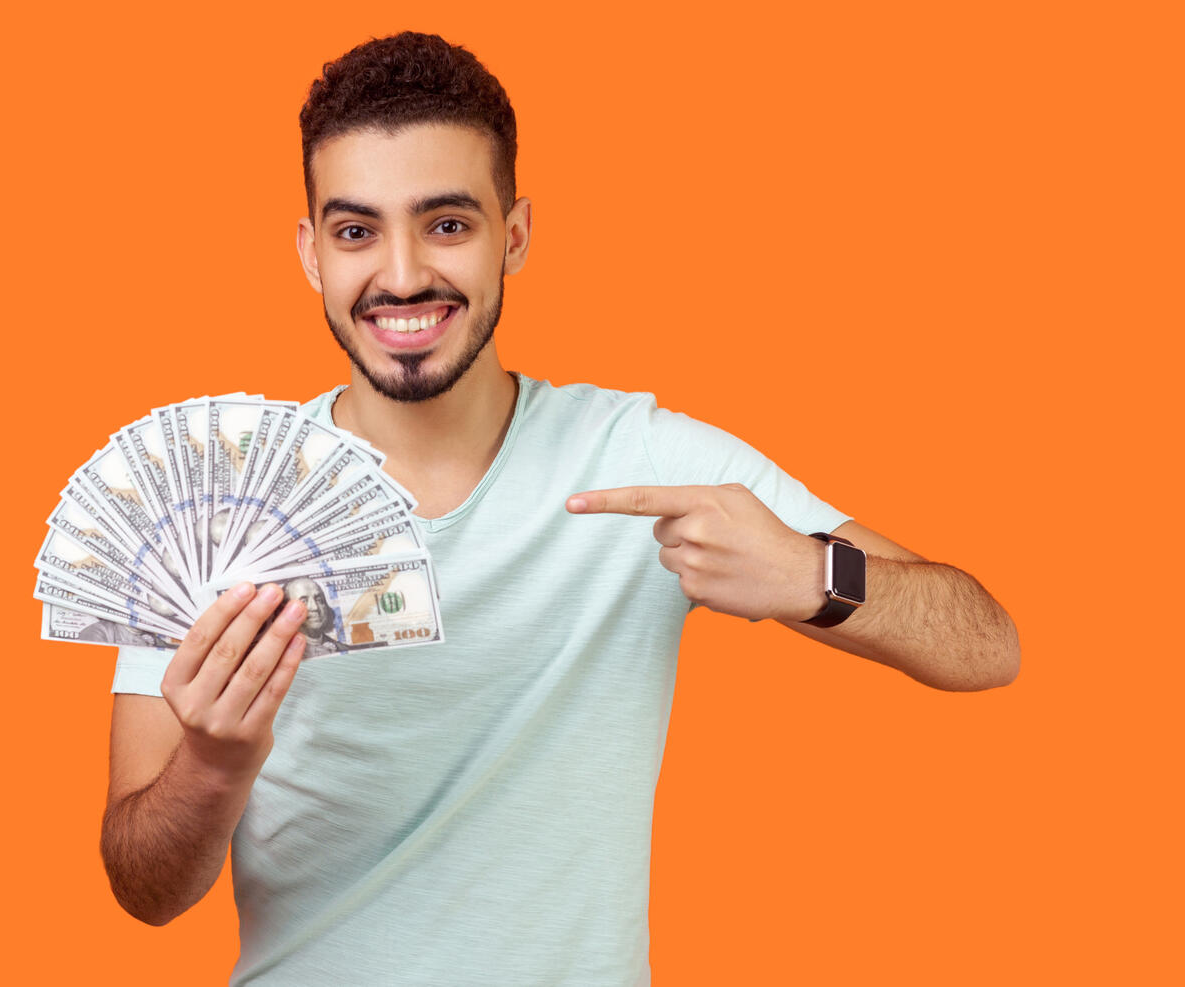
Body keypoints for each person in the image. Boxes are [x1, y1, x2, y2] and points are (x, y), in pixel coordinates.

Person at [98, 32, 1020, 985]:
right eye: (357, 230)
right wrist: (212, 763)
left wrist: (809, 574)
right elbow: (142, 885)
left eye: (448, 224)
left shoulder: (641, 460)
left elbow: (988, 644)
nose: (403, 273)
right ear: (310, 252)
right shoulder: (215, 503)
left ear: (517, 234)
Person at [281, 576, 343, 658]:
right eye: (303, 601)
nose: (315, 607)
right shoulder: (280, 654)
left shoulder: (343, 649)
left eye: (319, 600)